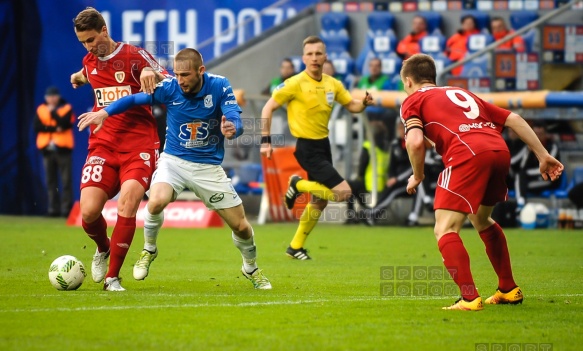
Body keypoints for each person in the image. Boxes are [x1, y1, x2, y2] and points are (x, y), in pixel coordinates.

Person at [78, 48, 272, 290]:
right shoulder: (170, 87)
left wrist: (233, 127)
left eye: (185, 75)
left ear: (201, 71)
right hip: (174, 161)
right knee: (156, 200)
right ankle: (149, 249)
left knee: (241, 226)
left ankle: (250, 267)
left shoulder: (220, 85)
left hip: (207, 167)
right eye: (177, 74)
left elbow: (235, 118)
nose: (180, 80)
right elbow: (134, 99)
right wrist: (105, 112)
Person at [400, 54, 563, 310]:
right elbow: (515, 119)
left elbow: (415, 142)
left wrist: (418, 175)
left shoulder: (413, 100)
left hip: (467, 154)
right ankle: (508, 289)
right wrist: (542, 155)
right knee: (481, 218)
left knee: (445, 229)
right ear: (433, 77)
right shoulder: (461, 92)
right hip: (499, 151)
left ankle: (468, 298)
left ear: (408, 81)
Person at [70, 7, 169, 291]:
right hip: (103, 144)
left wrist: (151, 71)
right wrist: (77, 78)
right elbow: (86, 73)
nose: (89, 47)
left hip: (139, 144)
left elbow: (169, 79)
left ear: (104, 30)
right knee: (88, 212)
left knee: (128, 203)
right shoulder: (89, 62)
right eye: (83, 43)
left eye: (91, 39)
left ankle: (113, 277)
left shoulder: (134, 55)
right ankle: (103, 248)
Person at [260, 35, 373, 260]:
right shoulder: (294, 83)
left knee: (320, 201)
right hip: (306, 147)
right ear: (303, 58)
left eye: (318, 53)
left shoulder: (333, 84)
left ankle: (295, 247)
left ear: (325, 56)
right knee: (343, 193)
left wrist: (363, 104)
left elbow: (351, 105)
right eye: (309, 54)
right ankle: (298, 183)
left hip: (324, 145)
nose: (314, 58)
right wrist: (265, 140)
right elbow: (268, 107)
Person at [33, 86, 76, 218]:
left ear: (58, 97)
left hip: (63, 149)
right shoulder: (41, 109)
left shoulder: (66, 108)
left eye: (54, 96)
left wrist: (53, 113)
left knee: (66, 180)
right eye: (49, 96)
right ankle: (53, 209)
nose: (52, 99)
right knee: (50, 181)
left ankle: (66, 209)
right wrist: (54, 128)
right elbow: (37, 126)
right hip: (47, 149)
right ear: (46, 98)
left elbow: (65, 124)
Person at [346, 124, 391, 224]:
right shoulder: (387, 148)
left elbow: (363, 164)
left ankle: (352, 215)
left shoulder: (368, 146)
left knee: (349, 186)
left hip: (370, 182)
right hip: (383, 183)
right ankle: (365, 208)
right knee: (356, 189)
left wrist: (359, 176)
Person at [515, 121, 561, 208]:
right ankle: (521, 203)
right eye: (535, 134)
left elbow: (548, 168)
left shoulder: (552, 147)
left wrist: (526, 173)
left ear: (546, 134)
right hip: (534, 178)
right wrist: (528, 152)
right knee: (520, 180)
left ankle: (521, 204)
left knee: (521, 184)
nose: (538, 137)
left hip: (550, 179)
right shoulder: (530, 146)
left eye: (540, 134)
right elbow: (522, 166)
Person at [357, 57, 398, 139]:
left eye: (377, 66)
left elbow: (388, 100)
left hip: (379, 113)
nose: (374, 68)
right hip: (364, 112)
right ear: (369, 67)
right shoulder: (363, 81)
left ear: (381, 68)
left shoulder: (386, 81)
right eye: (372, 66)